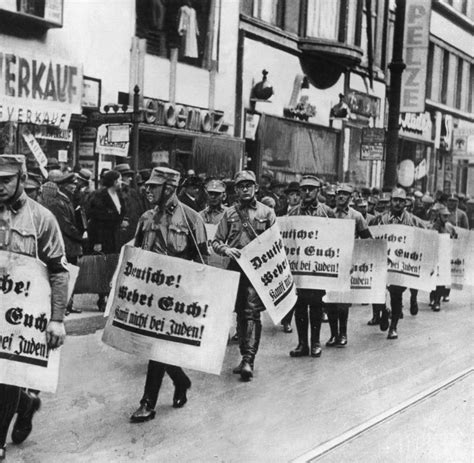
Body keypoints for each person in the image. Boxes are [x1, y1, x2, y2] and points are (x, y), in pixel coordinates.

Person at [0, 155, 68, 460]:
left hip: (23, 315)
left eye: (6, 180)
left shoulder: (41, 218)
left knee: (6, 376)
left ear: (21, 179)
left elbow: (59, 271)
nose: (0, 186)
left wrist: (57, 319)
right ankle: (26, 405)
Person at [130, 167, 208, 423]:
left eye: (154, 186)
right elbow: (137, 253)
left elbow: (201, 262)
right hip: (150, 295)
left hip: (177, 298)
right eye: (148, 186)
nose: (147, 189)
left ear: (169, 188)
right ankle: (181, 380)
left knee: (159, 347)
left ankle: (147, 402)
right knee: (157, 345)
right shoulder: (146, 218)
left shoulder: (191, 219)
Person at [213, 170, 276, 380]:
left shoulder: (267, 213)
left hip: (256, 270)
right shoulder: (229, 214)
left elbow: (276, 244)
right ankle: (244, 357)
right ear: (236, 190)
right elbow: (216, 241)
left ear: (256, 188)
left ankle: (249, 359)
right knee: (239, 312)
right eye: (241, 186)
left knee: (251, 312)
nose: (245, 189)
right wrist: (225, 249)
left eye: (249, 185)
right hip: (235, 267)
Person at [287, 175, 335, 358]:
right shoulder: (292, 214)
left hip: (317, 267)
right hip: (299, 267)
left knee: (316, 305)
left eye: (311, 189)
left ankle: (315, 342)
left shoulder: (327, 212)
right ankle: (302, 344)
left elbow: (336, 239)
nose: (307, 192)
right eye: (304, 189)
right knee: (299, 305)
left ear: (318, 191)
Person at [369, 188, 426, 339]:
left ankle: (393, 326)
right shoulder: (380, 220)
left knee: (396, 294)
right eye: (395, 200)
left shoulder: (413, 221)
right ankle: (383, 312)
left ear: (405, 203)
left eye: (401, 201)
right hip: (383, 262)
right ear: (390, 201)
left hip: (401, 264)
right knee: (378, 292)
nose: (398, 204)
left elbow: (424, 236)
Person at [327, 184, 372, 347]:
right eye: (339, 194)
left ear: (350, 198)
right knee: (330, 301)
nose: (340, 197)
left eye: (345, 194)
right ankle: (333, 334)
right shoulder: (328, 213)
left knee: (343, 302)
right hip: (330, 262)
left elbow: (367, 239)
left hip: (347, 263)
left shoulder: (357, 216)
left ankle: (343, 333)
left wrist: (360, 256)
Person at [41, 172, 83, 315]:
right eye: (71, 184)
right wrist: (80, 236)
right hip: (66, 243)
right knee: (64, 275)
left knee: (70, 274)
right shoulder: (57, 202)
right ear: (63, 186)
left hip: (70, 243)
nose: (74, 187)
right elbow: (64, 224)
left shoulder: (65, 199)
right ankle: (64, 306)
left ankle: (68, 304)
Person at [88, 170, 126, 311]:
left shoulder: (119, 196)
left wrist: (121, 222)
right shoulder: (100, 196)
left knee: (113, 266)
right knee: (103, 267)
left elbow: (121, 213)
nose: (121, 183)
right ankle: (102, 297)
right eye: (119, 180)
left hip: (115, 237)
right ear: (114, 181)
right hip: (103, 236)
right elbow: (96, 220)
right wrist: (97, 241)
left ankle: (110, 295)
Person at [430, 206, 456, 312]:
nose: (446, 217)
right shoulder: (434, 227)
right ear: (439, 216)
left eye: (447, 216)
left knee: (441, 280)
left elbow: (455, 237)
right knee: (433, 279)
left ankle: (437, 301)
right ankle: (432, 297)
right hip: (435, 255)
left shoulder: (449, 227)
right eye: (444, 215)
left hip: (444, 256)